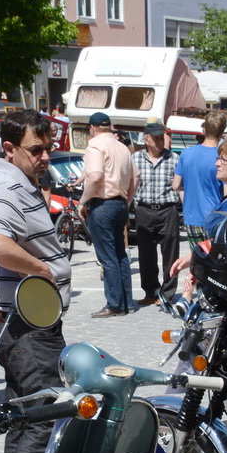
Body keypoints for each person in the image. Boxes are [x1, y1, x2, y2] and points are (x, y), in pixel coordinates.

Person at [0, 111, 71, 453]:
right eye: (36, 149)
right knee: (45, 414)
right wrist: (41, 269)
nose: (45, 156)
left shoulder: (15, 181)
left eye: (48, 148)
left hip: (18, 321)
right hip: (26, 324)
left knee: (24, 415)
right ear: (9, 148)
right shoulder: (9, 189)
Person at [79, 111, 135, 318]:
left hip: (103, 204)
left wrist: (82, 201)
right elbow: (134, 179)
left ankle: (114, 304)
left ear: (92, 128)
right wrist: (126, 203)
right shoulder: (122, 147)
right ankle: (126, 301)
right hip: (119, 203)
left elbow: (95, 177)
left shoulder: (95, 145)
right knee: (120, 255)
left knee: (108, 257)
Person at [131, 120, 180, 306]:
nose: (160, 141)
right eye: (156, 138)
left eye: (162, 138)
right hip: (144, 210)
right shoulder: (135, 159)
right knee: (146, 255)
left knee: (170, 254)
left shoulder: (174, 159)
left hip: (168, 210)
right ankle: (151, 292)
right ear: (146, 139)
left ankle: (167, 294)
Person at [173, 111, 227, 244]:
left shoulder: (186, 154)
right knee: (215, 259)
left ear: (204, 130)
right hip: (216, 217)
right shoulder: (223, 157)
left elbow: (176, 185)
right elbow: (226, 191)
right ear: (222, 133)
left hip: (192, 217)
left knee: (197, 259)